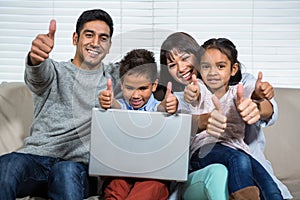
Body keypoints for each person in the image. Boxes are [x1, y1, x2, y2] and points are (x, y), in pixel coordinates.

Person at [0, 9, 119, 199]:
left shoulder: (114, 76)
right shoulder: (54, 71)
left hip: (76, 167)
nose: (95, 43)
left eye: (103, 38)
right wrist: (35, 57)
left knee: (65, 172)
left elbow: (145, 74)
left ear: (109, 45)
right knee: (7, 164)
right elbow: (38, 74)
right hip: (36, 160)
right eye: (89, 35)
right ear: (75, 38)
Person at [158, 32, 292, 199]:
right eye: (172, 65)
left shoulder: (239, 86)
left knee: (267, 184)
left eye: (185, 58)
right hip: (206, 154)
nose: (181, 68)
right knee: (236, 160)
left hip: (242, 152)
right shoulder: (192, 89)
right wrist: (168, 106)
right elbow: (184, 103)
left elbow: (260, 102)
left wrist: (258, 100)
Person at [99, 48, 177, 200]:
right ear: (121, 85)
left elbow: (160, 108)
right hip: (119, 173)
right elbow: (116, 106)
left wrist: (168, 106)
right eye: (129, 88)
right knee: (116, 186)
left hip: (154, 177)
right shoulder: (120, 106)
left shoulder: (157, 108)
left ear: (154, 86)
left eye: (142, 88)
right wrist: (108, 102)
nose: (135, 95)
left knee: (151, 188)